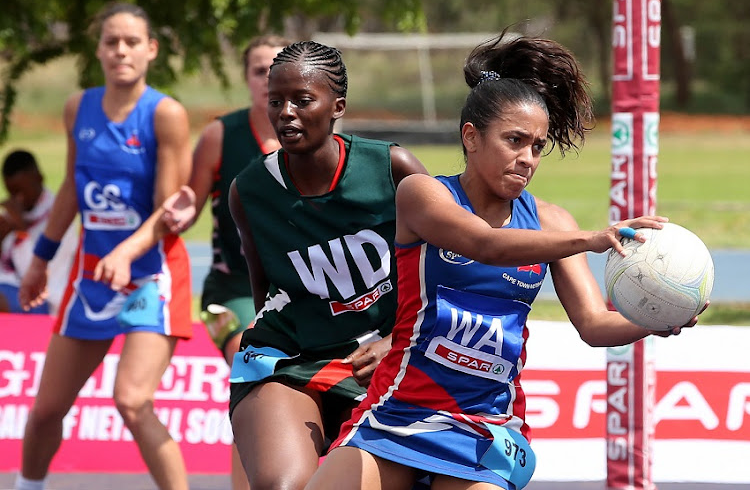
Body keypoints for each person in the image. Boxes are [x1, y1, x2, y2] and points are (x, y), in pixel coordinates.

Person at [304, 31, 705, 490]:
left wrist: (657, 317)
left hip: (485, 428)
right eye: (514, 140)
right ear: (471, 137)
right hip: (399, 411)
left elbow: (595, 324)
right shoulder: (423, 194)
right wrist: (592, 238)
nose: (528, 158)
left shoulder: (552, 222)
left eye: (537, 146)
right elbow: (487, 245)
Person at [226, 40, 428, 490]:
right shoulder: (250, 190)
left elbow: (449, 268)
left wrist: (397, 339)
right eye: (276, 101)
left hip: (384, 356)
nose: (286, 113)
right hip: (290, 356)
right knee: (281, 485)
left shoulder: (392, 167)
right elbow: (264, 292)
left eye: (302, 99)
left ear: (338, 105)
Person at [16, 2, 193, 490]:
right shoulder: (79, 107)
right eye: (111, 41)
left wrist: (125, 252)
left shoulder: (166, 115)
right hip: (92, 275)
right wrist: (40, 261)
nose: (121, 51)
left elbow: (168, 214)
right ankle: (29, 485)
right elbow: (71, 190)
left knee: (132, 400)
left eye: (132, 42)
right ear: (98, 50)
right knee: (46, 410)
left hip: (151, 274)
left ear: (150, 50)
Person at [161, 33, 291, 490]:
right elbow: (190, 200)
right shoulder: (222, 134)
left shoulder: (318, 139)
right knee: (251, 366)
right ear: (247, 79)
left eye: (280, 67)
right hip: (231, 291)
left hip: (299, 295)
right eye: (260, 70)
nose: (270, 78)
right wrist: (177, 210)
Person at [0, 150, 76, 315]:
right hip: (7, 286)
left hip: (42, 298)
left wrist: (21, 232)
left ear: (39, 178)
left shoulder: (60, 220)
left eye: (21, 191)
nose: (17, 198)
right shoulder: (17, 212)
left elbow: (33, 275)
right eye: (12, 192)